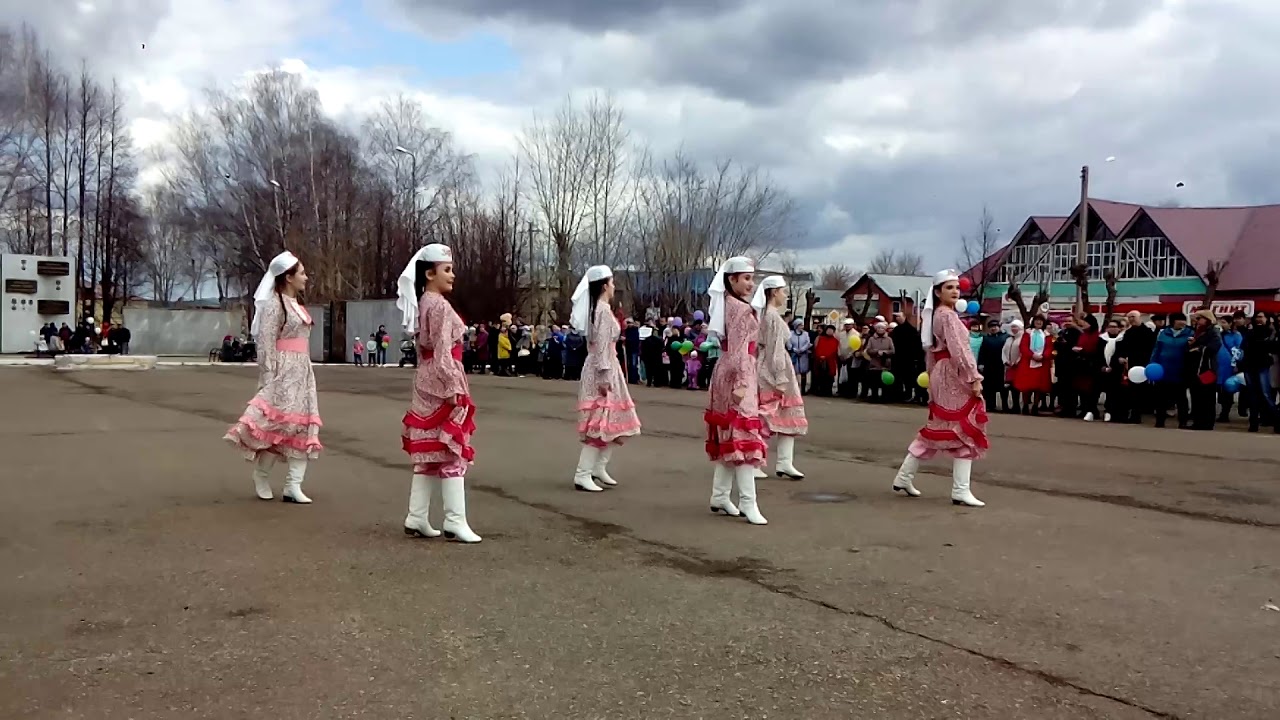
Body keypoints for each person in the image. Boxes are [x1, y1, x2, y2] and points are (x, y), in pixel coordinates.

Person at [398, 243, 481, 543]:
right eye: (447, 270)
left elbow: (427, 350)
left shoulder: (423, 302)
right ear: (430, 273)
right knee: (450, 448)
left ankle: (416, 516)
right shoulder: (441, 306)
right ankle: (455, 520)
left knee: (429, 450)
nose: (452, 275)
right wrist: (452, 386)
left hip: (425, 377)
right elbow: (445, 351)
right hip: (443, 376)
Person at [224, 251, 322, 503]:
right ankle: (262, 474)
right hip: (283, 369)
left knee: (302, 424)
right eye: (301, 273)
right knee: (278, 424)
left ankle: (294, 485)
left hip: (302, 370)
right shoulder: (274, 304)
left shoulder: (296, 305)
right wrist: (270, 374)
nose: (306, 278)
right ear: (288, 277)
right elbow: (266, 342)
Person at [891, 269, 988, 508]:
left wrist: (934, 377)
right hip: (952, 374)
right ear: (937, 292)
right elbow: (960, 350)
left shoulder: (938, 315)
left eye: (956, 287)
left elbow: (933, 352)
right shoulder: (947, 317)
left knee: (941, 427)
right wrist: (973, 377)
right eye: (949, 288)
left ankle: (904, 477)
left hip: (942, 372)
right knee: (963, 427)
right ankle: (960, 490)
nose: (955, 291)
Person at [705, 257, 769, 525]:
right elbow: (741, 352)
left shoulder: (728, 305)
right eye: (745, 278)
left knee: (728, 435)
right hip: (738, 372)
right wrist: (742, 385)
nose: (751, 284)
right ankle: (748, 502)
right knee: (744, 437)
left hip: (726, 371)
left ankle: (720, 495)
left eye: (752, 279)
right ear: (731, 280)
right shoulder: (740, 310)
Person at [569, 266, 642, 492]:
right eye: (611, 282)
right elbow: (601, 345)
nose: (613, 286)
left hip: (607, 365)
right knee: (600, 422)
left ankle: (598, 467)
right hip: (603, 367)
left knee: (613, 422)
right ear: (603, 286)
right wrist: (604, 374)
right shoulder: (600, 310)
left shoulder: (600, 309)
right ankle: (583, 472)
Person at [752, 275, 808, 480]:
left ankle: (785, 462)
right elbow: (775, 349)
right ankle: (754, 460)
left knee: (787, 415)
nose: (785, 295)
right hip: (773, 369)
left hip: (774, 366)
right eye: (783, 291)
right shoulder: (772, 317)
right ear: (774, 292)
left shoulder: (770, 315)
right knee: (766, 415)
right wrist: (780, 378)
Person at [1150, 312, 1192, 428]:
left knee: (1181, 398)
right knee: (1161, 397)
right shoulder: (1163, 333)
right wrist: (1153, 363)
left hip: (1180, 370)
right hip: (1163, 369)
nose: (1182, 322)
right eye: (1180, 320)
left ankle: (1183, 421)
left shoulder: (1190, 333)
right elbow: (1156, 349)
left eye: (1184, 320)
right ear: (1173, 321)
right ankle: (1160, 420)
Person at [1186, 309, 1222, 431]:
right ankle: (1198, 421)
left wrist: (1199, 348)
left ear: (1207, 319)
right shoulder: (1198, 331)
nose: (1197, 321)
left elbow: (1215, 346)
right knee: (1196, 395)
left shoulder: (1213, 331)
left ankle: (1207, 422)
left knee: (1207, 396)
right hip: (1195, 367)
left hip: (1207, 368)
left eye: (1199, 318)